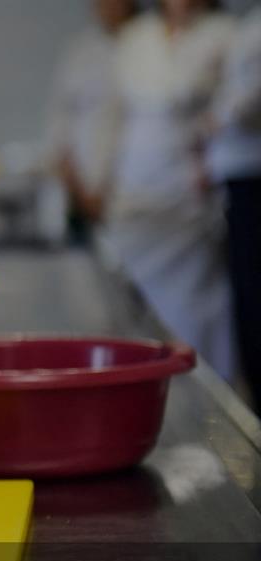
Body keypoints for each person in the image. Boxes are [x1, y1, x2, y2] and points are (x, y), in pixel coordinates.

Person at [102, 0, 237, 380]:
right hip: (135, 187)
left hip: (188, 193)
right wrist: (103, 180)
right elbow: (115, 118)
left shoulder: (223, 35)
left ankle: (202, 396)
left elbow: (230, 112)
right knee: (133, 310)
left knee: (195, 309)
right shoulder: (137, 36)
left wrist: (210, 161)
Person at [44, 0, 139, 244]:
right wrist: (78, 188)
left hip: (130, 191)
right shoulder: (80, 51)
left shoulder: (147, 45)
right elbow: (59, 126)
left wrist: (106, 190)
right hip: (79, 189)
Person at [208, 4, 261, 403]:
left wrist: (218, 118)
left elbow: (249, 101)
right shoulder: (246, 24)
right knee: (246, 296)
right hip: (237, 175)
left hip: (252, 176)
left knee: (253, 294)